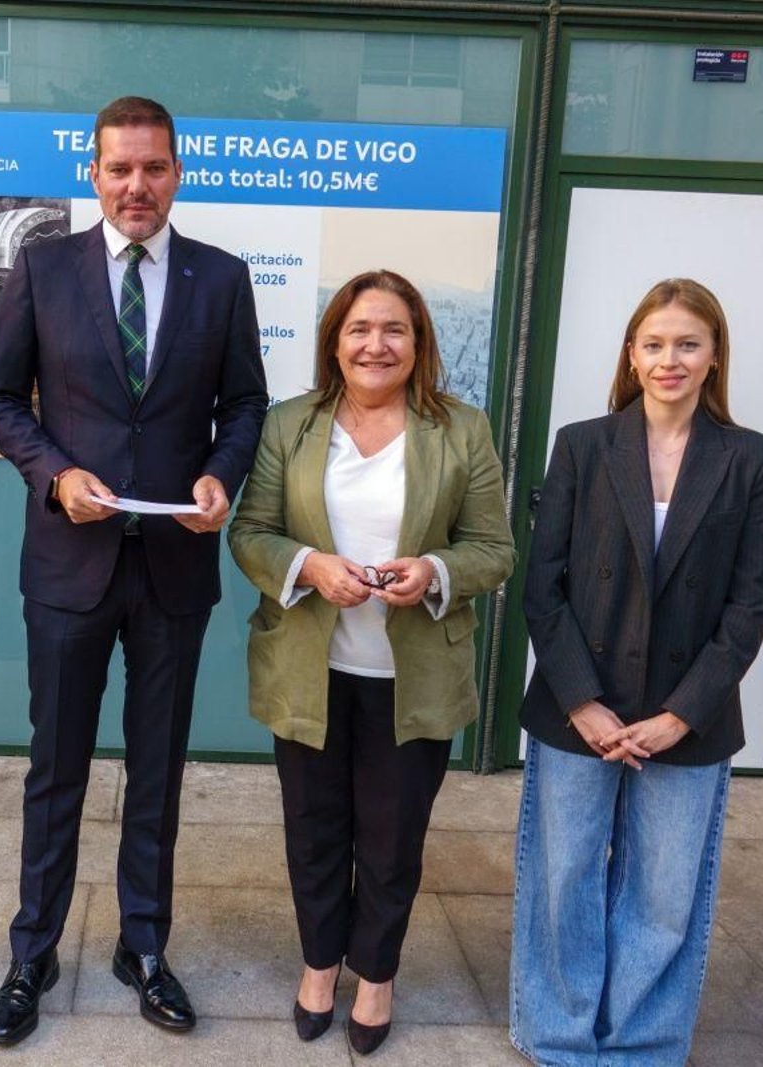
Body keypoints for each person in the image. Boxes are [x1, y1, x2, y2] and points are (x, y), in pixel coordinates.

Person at [0, 95, 268, 1046]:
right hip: (70, 565)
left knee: (158, 771)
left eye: (153, 168)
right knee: (55, 768)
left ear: (178, 172)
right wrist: (56, 475)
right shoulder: (42, 267)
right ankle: (33, 952)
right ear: (92, 175)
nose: (136, 186)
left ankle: (143, 946)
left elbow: (246, 405)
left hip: (175, 568)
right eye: (119, 169)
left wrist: (222, 477)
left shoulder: (222, 279)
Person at [228, 270, 515, 1055]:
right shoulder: (291, 424)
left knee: (391, 841)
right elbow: (250, 532)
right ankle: (321, 964)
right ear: (335, 341)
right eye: (359, 328)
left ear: (418, 343)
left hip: (411, 678)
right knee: (315, 832)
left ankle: (377, 974)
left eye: (394, 329)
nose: (375, 344)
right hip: (307, 670)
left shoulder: (462, 429)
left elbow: (495, 549)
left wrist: (435, 573)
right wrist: (310, 564)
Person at [510, 278, 763, 1066]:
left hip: (686, 715)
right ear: (632, 354)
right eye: (655, 344)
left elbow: (750, 602)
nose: (671, 359)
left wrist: (681, 714)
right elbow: (543, 587)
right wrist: (583, 703)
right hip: (577, 706)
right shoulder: (582, 444)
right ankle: (558, 1035)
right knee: (564, 878)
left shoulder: (749, 459)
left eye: (688, 344)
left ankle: (641, 1040)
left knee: (664, 894)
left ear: (714, 356)